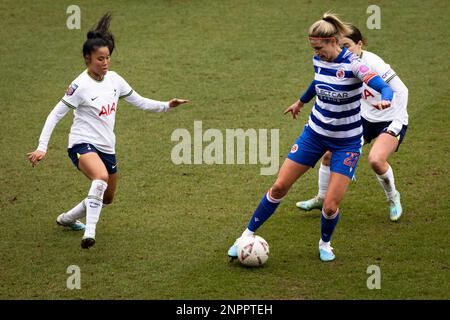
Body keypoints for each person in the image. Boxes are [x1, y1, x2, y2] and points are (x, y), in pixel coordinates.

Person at [227, 13, 394, 262]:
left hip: (346, 142)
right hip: (313, 135)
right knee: (279, 186)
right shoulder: (318, 59)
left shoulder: (354, 65)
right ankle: (245, 235)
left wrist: (386, 99)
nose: (316, 53)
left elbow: (384, 86)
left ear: (333, 41)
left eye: (319, 48)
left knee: (330, 206)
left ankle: (325, 244)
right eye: (313, 48)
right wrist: (301, 101)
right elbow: (317, 82)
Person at [27, 13, 188, 249]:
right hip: (82, 144)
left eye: (108, 58)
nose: (105, 63)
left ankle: (68, 218)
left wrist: (167, 105)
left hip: (106, 146)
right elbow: (55, 114)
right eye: (100, 58)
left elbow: (140, 101)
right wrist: (42, 147)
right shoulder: (79, 85)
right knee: (99, 178)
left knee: (107, 197)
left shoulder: (114, 80)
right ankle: (89, 233)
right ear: (87, 58)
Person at [296, 25, 408, 221]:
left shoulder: (373, 63)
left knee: (375, 160)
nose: (344, 50)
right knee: (329, 154)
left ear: (359, 44)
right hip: (364, 118)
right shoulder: (340, 62)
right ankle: (322, 198)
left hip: (389, 118)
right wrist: (301, 101)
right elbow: (319, 81)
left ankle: (393, 198)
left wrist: (396, 120)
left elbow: (401, 90)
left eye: (347, 45)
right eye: (341, 46)